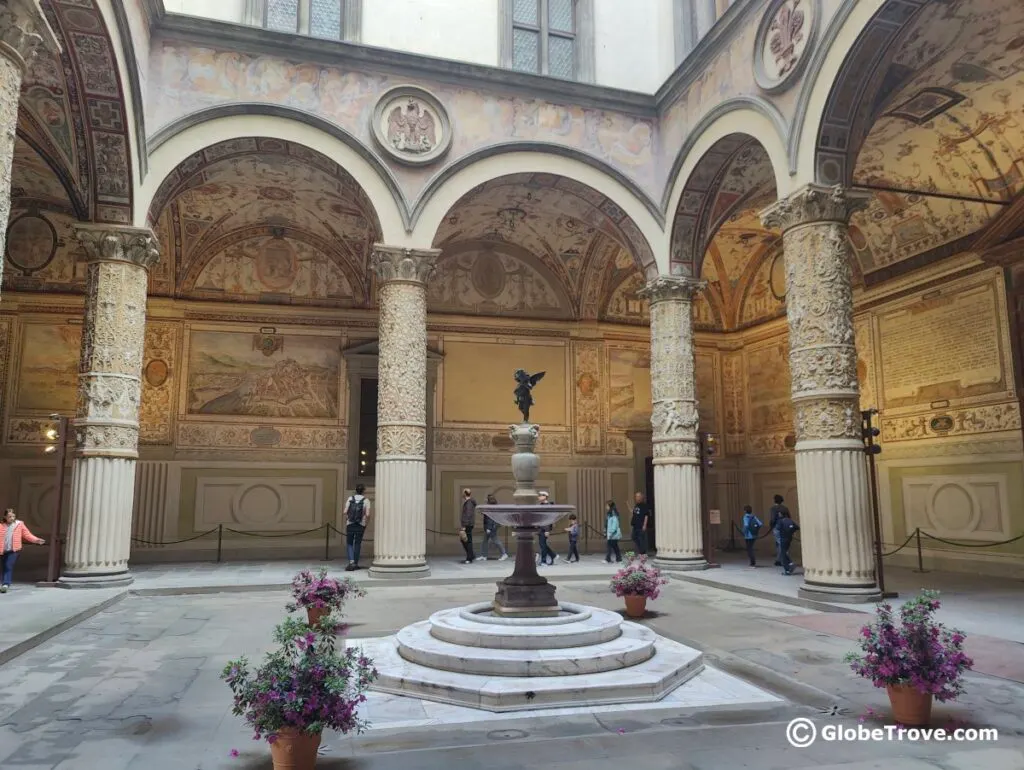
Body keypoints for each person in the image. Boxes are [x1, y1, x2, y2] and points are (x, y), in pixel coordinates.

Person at [0, 508, 45, 592]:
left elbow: (27, 534)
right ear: (5, 517)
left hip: (14, 550)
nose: (12, 518)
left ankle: (6, 584)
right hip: (3, 550)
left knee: (8, 565)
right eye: (9, 517)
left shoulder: (19, 524)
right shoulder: (1, 525)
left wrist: (36, 540)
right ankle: (4, 583)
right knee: (4, 567)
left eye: (13, 516)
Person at [343, 485, 370, 571]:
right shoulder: (366, 500)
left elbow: (344, 511)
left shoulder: (350, 499)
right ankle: (356, 563)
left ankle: (351, 562)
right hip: (360, 524)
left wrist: (348, 518)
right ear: (364, 491)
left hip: (350, 524)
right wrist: (365, 522)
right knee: (357, 544)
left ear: (355, 490)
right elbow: (368, 514)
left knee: (349, 543)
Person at [479, 494, 508, 561]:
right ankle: (484, 555)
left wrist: (489, 528)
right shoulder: (492, 506)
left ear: (488, 499)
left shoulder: (490, 507)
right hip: (491, 526)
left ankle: (504, 554)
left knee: (496, 541)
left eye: (486, 498)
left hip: (491, 527)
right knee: (485, 541)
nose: (485, 499)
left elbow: (490, 519)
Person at [768, 495, 790, 567]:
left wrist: (771, 526)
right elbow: (789, 517)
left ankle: (781, 559)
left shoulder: (773, 508)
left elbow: (773, 519)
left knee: (780, 543)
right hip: (785, 527)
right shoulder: (785, 508)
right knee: (779, 543)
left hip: (777, 527)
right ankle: (779, 559)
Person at [536, 490, 557, 565]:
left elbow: (549, 519)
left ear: (545, 497)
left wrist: (547, 530)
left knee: (543, 545)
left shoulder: (548, 506)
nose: (539, 497)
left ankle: (544, 561)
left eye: (540, 495)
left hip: (545, 528)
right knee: (542, 544)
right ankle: (553, 555)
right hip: (540, 528)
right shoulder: (541, 505)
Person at [777, 509, 800, 575]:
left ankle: (787, 569)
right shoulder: (790, 520)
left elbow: (778, 528)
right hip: (789, 538)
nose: (779, 514)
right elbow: (797, 527)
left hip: (783, 538)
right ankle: (790, 563)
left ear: (781, 514)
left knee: (783, 554)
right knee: (785, 552)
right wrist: (791, 532)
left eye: (779, 513)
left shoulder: (781, 521)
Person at [460, 488, 477, 564]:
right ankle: (471, 555)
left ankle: (469, 557)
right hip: (469, 524)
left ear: (464, 493)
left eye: (463, 492)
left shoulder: (469, 503)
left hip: (467, 524)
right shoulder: (468, 502)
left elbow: (468, 514)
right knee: (465, 540)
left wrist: (464, 525)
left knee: (467, 541)